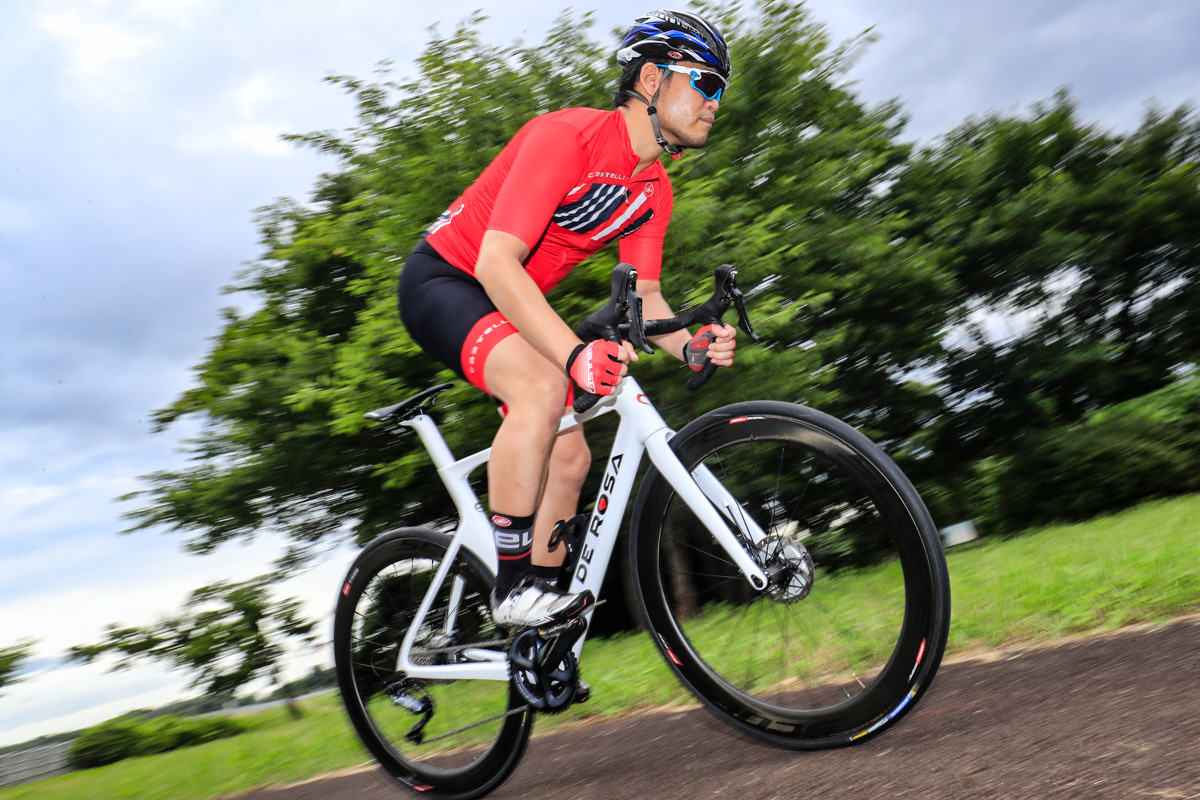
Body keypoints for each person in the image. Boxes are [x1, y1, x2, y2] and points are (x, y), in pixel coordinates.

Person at [398, 9, 738, 629]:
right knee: (544, 384)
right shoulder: (567, 138)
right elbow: (499, 263)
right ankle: (511, 586)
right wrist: (574, 354)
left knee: (573, 458)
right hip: (447, 280)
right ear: (652, 79)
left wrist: (690, 348)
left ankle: (544, 618)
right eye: (707, 84)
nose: (717, 102)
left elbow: (650, 301)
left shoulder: (653, 189)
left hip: (512, 298)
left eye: (723, 90)